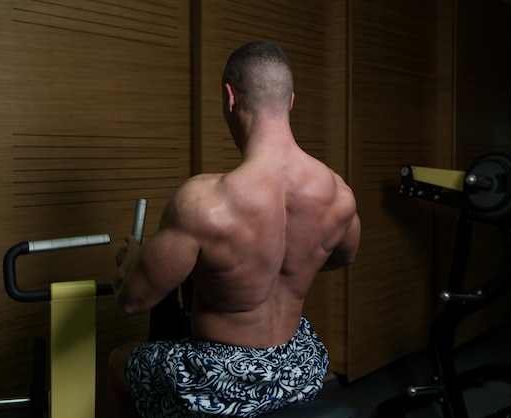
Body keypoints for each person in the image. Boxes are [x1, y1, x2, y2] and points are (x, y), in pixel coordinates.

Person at [107, 40, 361, 418]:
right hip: (300, 365)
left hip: (220, 380)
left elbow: (132, 300)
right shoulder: (339, 194)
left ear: (230, 97)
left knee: (116, 362)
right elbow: (344, 255)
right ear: (290, 101)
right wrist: (283, 264)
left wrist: (131, 262)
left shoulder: (203, 202)